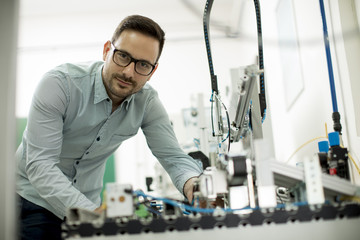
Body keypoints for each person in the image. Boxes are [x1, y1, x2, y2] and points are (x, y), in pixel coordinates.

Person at [16, 15, 203, 240]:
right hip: (31, 201)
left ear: (153, 70)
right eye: (123, 56)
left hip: (88, 206)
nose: (129, 72)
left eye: (143, 65)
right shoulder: (60, 85)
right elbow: (40, 166)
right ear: (107, 50)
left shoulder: (147, 102)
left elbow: (174, 157)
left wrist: (194, 184)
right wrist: (94, 214)